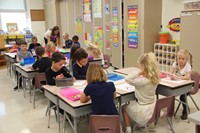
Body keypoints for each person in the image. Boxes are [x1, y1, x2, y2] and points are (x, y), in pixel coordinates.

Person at [122, 52, 160, 133]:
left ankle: (128, 129)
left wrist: (139, 72)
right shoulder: (156, 77)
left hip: (143, 111)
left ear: (143, 66)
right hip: (153, 108)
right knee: (135, 103)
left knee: (124, 107)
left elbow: (127, 79)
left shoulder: (142, 82)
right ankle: (146, 123)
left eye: (140, 66)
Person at [170, 49, 192, 120]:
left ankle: (186, 111)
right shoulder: (175, 64)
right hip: (177, 84)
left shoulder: (188, 66)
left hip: (187, 86)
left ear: (186, 59)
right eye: (179, 58)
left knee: (182, 97)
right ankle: (170, 110)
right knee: (170, 93)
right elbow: (171, 72)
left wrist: (178, 77)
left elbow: (188, 77)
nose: (180, 60)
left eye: (183, 59)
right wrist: (172, 75)